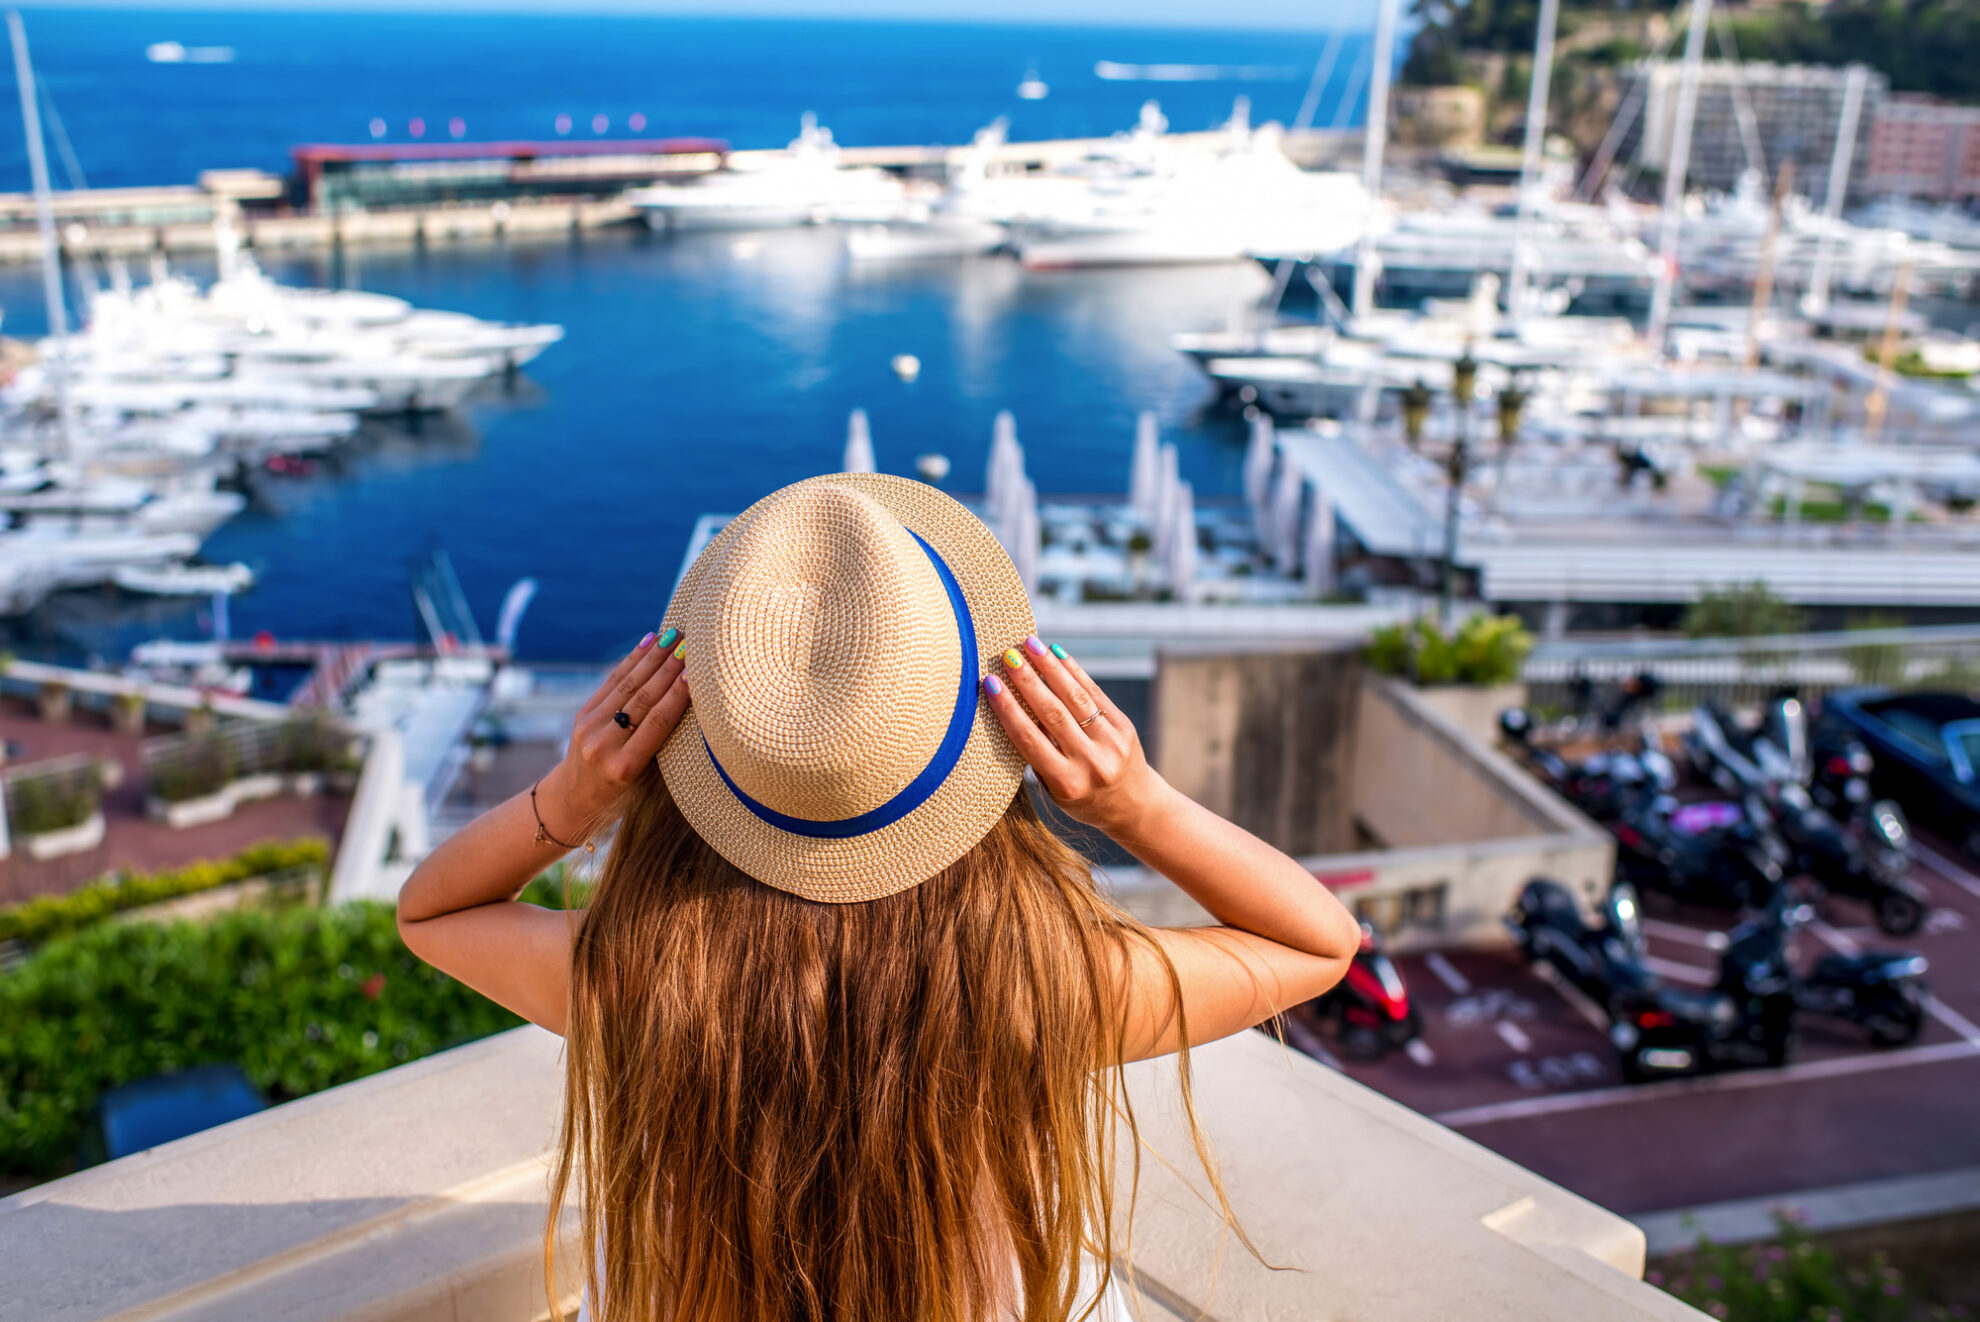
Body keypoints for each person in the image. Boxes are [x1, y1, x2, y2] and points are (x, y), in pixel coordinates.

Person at [399, 474, 1359, 1322]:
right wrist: (1133, 804)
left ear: (700, 739)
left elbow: (432, 913)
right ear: (982, 739)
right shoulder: (1040, 985)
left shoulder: (643, 980)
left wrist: (575, 795)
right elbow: (1318, 942)